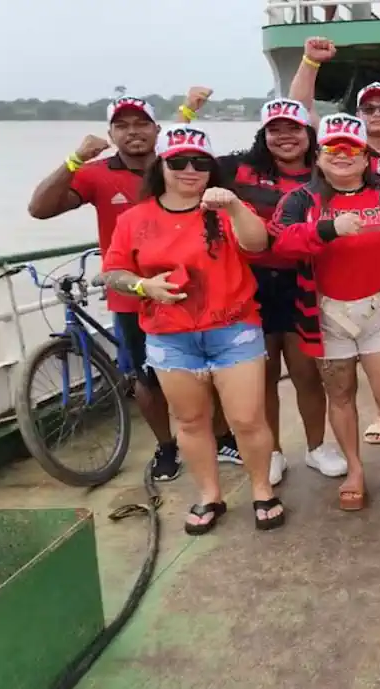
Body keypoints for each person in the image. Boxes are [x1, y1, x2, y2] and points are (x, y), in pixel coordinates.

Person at [27, 96, 229, 482]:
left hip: (196, 289)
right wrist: (74, 160)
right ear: (110, 134)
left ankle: (222, 437)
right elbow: (39, 209)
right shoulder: (97, 173)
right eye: (122, 125)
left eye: (141, 123)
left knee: (210, 370)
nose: (133, 131)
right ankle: (167, 448)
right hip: (133, 295)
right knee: (145, 377)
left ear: (157, 130)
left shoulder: (181, 164)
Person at [100, 123, 284, 534]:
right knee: (190, 421)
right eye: (178, 160)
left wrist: (235, 206)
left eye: (200, 162)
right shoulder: (135, 218)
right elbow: (112, 273)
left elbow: (258, 244)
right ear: (161, 164)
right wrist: (143, 285)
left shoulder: (224, 209)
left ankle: (261, 489)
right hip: (169, 335)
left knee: (247, 418)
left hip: (233, 329)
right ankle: (208, 495)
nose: (190, 169)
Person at [267, 113, 380, 511]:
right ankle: (356, 471)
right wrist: (327, 230)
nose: (342, 155)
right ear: (319, 156)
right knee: (341, 395)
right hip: (327, 315)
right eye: (333, 148)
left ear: (365, 157)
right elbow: (280, 244)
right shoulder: (300, 199)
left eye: (351, 149)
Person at [182, 87, 346, 485]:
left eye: (294, 128)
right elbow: (181, 163)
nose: (285, 136)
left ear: (310, 133)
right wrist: (187, 113)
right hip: (252, 283)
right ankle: (271, 451)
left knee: (307, 374)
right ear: (264, 134)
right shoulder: (238, 170)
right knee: (264, 375)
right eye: (275, 129)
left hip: (305, 280)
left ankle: (316, 446)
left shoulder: (325, 172)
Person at [287, 37, 380, 447]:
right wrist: (309, 61)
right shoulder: (338, 149)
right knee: (342, 387)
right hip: (335, 292)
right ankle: (356, 461)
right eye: (368, 108)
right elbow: (301, 112)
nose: (377, 113)